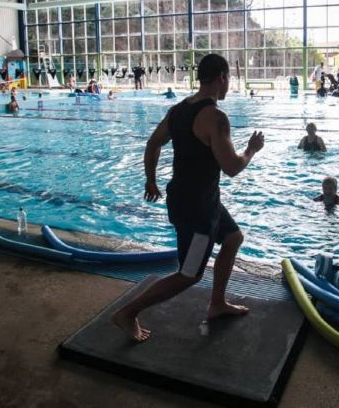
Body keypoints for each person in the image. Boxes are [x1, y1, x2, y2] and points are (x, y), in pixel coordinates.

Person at [113, 54, 265, 343]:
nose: (229, 83)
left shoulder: (178, 110)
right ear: (222, 76)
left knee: (233, 239)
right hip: (197, 210)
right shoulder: (215, 117)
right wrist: (252, 149)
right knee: (189, 274)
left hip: (196, 199)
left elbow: (153, 143)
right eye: (229, 77)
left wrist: (151, 180)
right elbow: (232, 167)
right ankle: (128, 313)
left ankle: (217, 303)